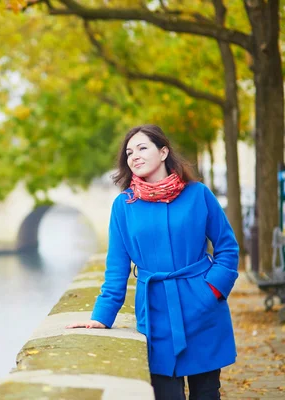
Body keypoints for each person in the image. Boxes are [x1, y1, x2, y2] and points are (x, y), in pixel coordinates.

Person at [66, 124, 239, 400]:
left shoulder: (198, 194)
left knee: (207, 393)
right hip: (155, 309)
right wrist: (101, 316)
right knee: (165, 393)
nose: (134, 156)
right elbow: (117, 267)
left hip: (204, 305)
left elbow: (227, 248)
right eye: (129, 152)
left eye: (142, 147)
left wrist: (213, 291)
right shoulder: (124, 205)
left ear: (163, 152)